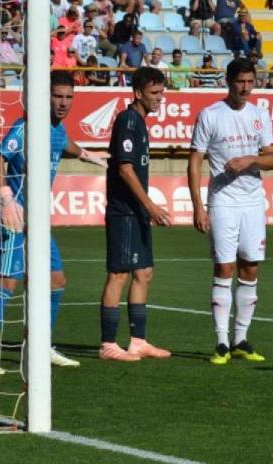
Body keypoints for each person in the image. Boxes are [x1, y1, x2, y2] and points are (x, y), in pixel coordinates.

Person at [0, 72, 110, 376]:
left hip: (39, 221)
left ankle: (40, 346)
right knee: (8, 282)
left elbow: (67, 145)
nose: (63, 103)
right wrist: (6, 197)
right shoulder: (25, 127)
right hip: (16, 215)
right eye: (57, 96)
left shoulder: (57, 130)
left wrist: (89, 155)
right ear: (45, 96)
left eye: (68, 97)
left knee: (56, 280)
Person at [188, 58, 273, 365]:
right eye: (241, 82)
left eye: (251, 82)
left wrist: (249, 160)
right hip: (223, 202)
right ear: (229, 81)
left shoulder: (259, 115)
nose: (246, 88)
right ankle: (222, 342)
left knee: (250, 267)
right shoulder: (211, 115)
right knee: (224, 268)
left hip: (253, 202)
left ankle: (241, 339)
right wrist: (198, 205)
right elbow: (195, 160)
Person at [99, 67, 173, 361]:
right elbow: (125, 169)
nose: (160, 98)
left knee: (144, 272)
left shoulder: (140, 122)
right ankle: (107, 344)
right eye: (154, 93)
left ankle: (138, 341)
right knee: (119, 273)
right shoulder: (128, 120)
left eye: (162, 92)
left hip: (136, 211)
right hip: (125, 211)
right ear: (138, 93)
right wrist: (150, 206)